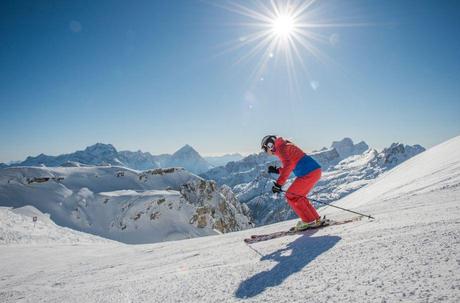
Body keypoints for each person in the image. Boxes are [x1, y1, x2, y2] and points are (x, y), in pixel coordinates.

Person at [261, 135, 323, 231]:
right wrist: (277, 171)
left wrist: (279, 184)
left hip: (308, 173)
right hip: (314, 171)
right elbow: (291, 164)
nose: (267, 153)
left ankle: (308, 221)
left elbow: (289, 165)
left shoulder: (281, 148)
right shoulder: (283, 145)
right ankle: (315, 219)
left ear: (270, 145)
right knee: (299, 197)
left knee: (291, 196)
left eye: (265, 149)